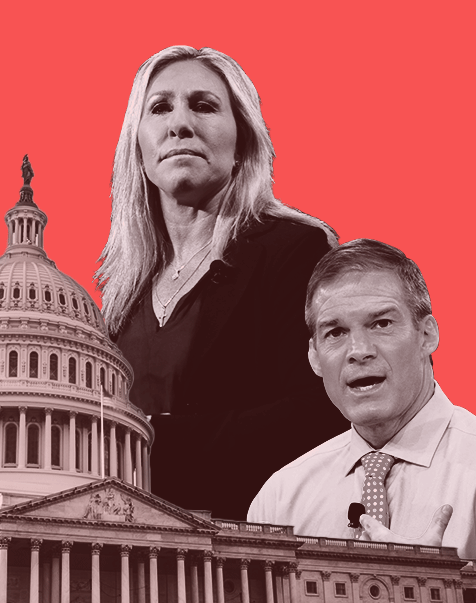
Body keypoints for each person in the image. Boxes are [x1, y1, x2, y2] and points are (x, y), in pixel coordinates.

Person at [96, 45, 347, 520]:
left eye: (204, 105)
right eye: (160, 107)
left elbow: (322, 409)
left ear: (244, 141)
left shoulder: (294, 249)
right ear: (139, 146)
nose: (180, 124)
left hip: (248, 546)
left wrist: (151, 438)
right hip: (132, 550)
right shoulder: (119, 297)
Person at [248, 239, 476, 561]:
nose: (359, 350)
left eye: (381, 324)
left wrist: (428, 585)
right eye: (335, 332)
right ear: (314, 357)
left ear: (427, 335)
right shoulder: (279, 499)